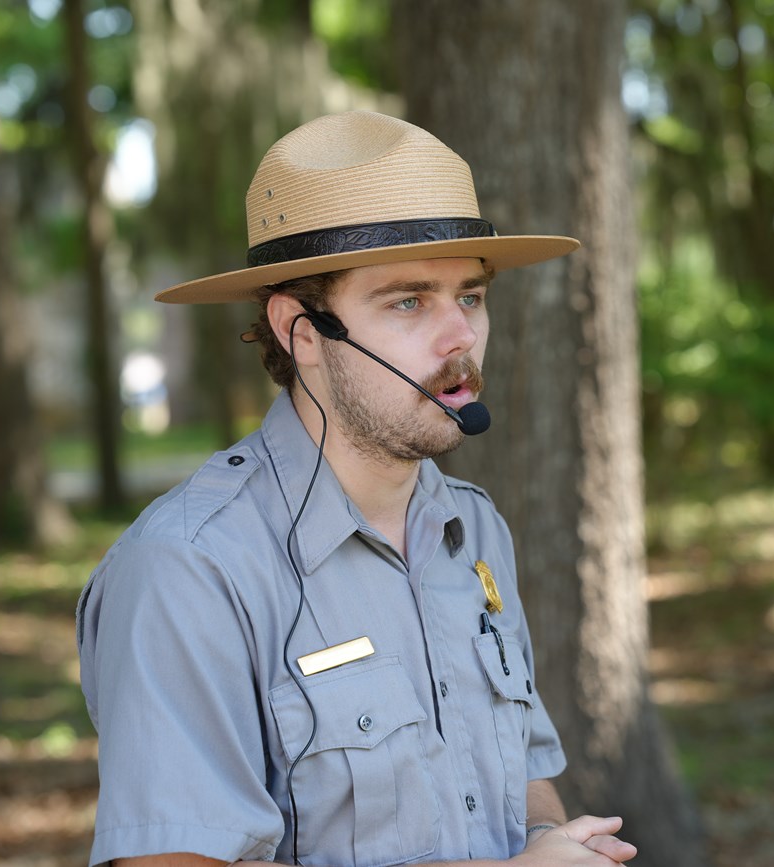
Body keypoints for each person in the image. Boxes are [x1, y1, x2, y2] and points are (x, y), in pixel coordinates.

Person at [76, 111, 638, 867]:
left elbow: (525, 769)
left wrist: (549, 839)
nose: (460, 337)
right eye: (408, 301)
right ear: (300, 332)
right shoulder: (190, 569)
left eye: (469, 297)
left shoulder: (471, 529)